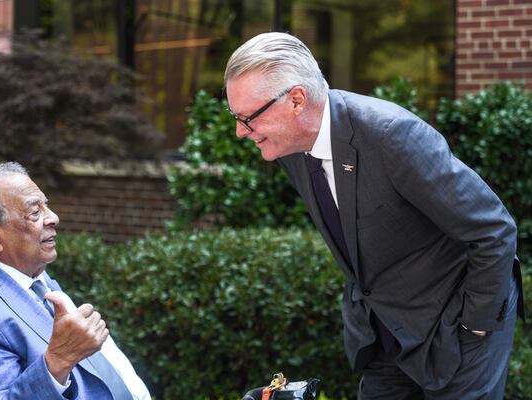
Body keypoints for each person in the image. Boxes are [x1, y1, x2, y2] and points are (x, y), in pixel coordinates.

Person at [224, 32, 524, 400]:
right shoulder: (288, 148)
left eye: (247, 118)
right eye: (235, 117)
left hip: (455, 326)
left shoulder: (391, 135)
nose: (240, 131)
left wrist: (474, 326)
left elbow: (493, 230)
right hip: (383, 333)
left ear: (297, 101)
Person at [0, 162, 151, 400]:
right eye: (35, 212)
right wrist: (58, 360)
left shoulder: (29, 274)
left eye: (46, 206)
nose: (53, 218)